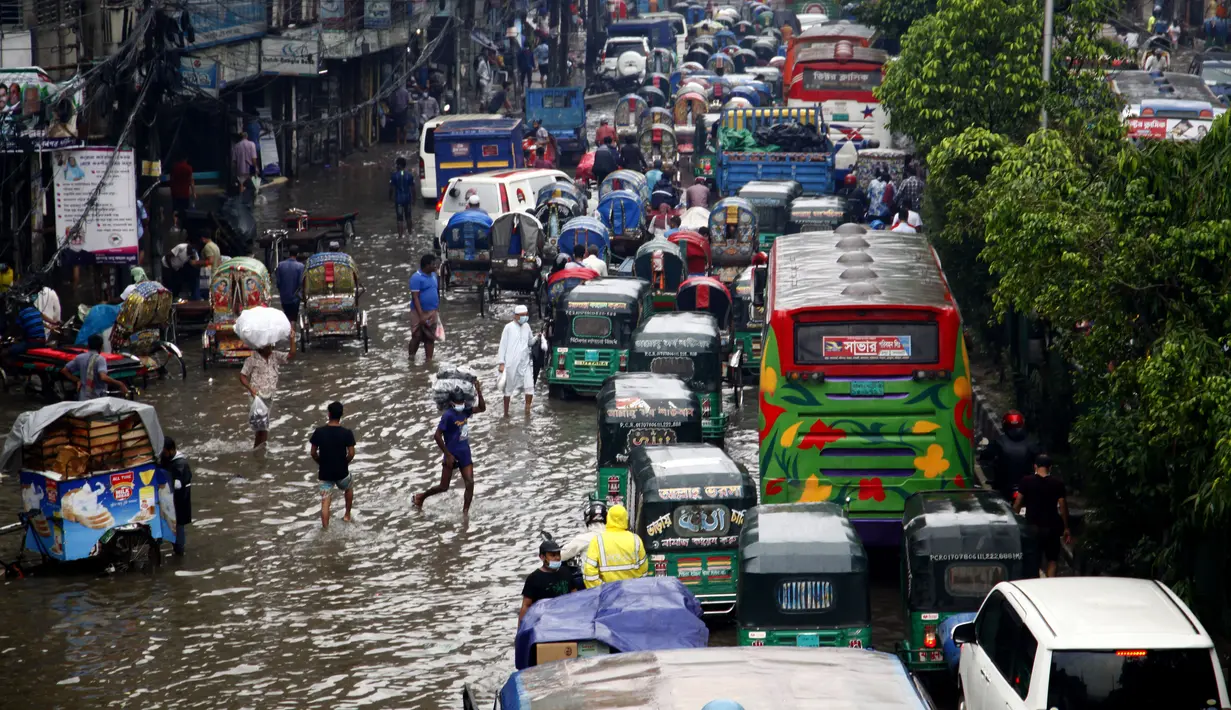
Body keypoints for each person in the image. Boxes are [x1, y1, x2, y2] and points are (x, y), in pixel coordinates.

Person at [415, 382, 487, 515]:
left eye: (462, 402)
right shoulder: (448, 416)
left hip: (465, 452)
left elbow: (482, 408)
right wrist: (447, 454)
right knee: (443, 487)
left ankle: (465, 514)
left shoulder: (466, 411)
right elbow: (437, 436)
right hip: (451, 454)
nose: (460, 404)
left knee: (470, 483)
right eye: (458, 402)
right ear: (452, 403)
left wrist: (479, 392)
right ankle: (421, 497)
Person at [1013, 454, 1071, 578]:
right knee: (1052, 560)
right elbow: (1062, 506)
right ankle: (1050, 584)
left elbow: (1018, 503)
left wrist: (1015, 521)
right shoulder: (1057, 483)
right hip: (1052, 527)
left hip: (1032, 526)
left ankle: (1036, 585)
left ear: (1035, 466)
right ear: (1050, 467)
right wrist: (1066, 527)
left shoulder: (1026, 481)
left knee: (1034, 560)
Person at [239, 335, 297, 449]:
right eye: (267, 346)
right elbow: (242, 376)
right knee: (261, 427)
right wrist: (251, 389)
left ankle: (261, 450)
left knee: (264, 427)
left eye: (270, 345)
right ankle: (258, 451)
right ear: (260, 347)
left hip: (269, 396)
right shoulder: (252, 359)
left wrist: (292, 339)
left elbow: (291, 354)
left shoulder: (275, 356)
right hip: (257, 397)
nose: (270, 348)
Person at [311, 401, 357, 529]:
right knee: (348, 488)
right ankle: (347, 515)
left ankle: (325, 528)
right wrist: (344, 462)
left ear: (329, 414)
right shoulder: (347, 433)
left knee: (325, 501)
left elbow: (313, 453)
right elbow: (352, 453)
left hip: (325, 473)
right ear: (341, 415)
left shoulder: (319, 432)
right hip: (342, 472)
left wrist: (322, 462)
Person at [581, 504, 648, 587]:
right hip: (632, 592)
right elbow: (644, 570)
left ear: (608, 518)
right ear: (626, 518)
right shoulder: (636, 539)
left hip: (608, 595)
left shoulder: (597, 540)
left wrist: (602, 589)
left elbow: (589, 573)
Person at [979, 410, 1040, 500]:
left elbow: (985, 456)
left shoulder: (998, 441)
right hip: (1027, 487)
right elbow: (1042, 459)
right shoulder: (1032, 442)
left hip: (1004, 486)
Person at [519, 537, 582, 623]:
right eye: (552, 555)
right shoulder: (534, 578)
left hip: (566, 618)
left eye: (558, 554)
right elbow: (526, 606)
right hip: (545, 622)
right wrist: (520, 631)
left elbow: (575, 596)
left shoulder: (566, 572)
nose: (557, 558)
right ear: (542, 557)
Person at [62, 334, 129, 399]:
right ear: (101, 347)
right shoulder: (100, 359)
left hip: (83, 398)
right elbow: (103, 377)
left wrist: (77, 380)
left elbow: (64, 370)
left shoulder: (80, 358)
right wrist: (120, 384)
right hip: (97, 399)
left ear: (88, 346)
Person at [499, 304, 535, 417]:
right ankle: (506, 413)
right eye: (522, 315)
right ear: (516, 316)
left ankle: (527, 410)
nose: (525, 317)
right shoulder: (508, 327)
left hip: (525, 362)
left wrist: (538, 337)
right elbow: (503, 345)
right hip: (511, 363)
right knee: (508, 389)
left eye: (526, 315)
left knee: (529, 386)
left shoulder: (527, 326)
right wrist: (501, 362)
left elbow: (530, 342)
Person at [159, 437, 192, 556]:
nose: (164, 454)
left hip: (179, 500)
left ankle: (179, 551)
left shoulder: (180, 463)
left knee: (178, 525)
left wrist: (177, 482)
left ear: (172, 450)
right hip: (168, 499)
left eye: (165, 452)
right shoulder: (166, 459)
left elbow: (182, 480)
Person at [409, 253, 441, 364]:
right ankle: (411, 357)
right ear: (427, 266)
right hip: (418, 312)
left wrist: (437, 308)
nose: (435, 266)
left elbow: (436, 292)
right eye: (433, 264)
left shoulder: (434, 276)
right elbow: (415, 297)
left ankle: (429, 361)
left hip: (432, 311)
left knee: (430, 337)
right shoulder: (416, 278)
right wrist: (421, 314)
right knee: (416, 336)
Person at [275, 245, 305, 326]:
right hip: (294, 298)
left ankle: (289, 332)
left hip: (284, 297)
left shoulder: (280, 265)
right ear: (297, 254)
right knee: (293, 318)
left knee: (287, 316)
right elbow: (300, 283)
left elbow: (278, 282)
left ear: (289, 253)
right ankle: (293, 334)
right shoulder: (300, 266)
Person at [390, 156, 416, 237]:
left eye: (397, 164)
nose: (396, 166)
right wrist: (414, 200)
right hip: (407, 199)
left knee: (399, 219)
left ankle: (400, 237)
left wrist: (390, 197)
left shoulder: (394, 176)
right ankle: (410, 233)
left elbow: (391, 189)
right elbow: (413, 189)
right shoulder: (409, 175)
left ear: (399, 165)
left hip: (399, 200)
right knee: (408, 217)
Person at [231, 131, 259, 195]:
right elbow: (254, 158)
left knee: (241, 185)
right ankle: (254, 199)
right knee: (254, 185)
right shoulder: (252, 144)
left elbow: (234, 161)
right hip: (251, 168)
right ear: (247, 136)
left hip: (240, 169)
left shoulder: (236, 146)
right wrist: (256, 168)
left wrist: (235, 172)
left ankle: (241, 198)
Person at [169, 156, 195, 220]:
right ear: (186, 159)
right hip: (185, 193)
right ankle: (184, 224)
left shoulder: (174, 167)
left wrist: (172, 190)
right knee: (185, 210)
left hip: (175, 193)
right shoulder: (189, 168)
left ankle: (175, 225)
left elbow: (171, 180)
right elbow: (191, 181)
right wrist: (193, 192)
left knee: (175, 209)